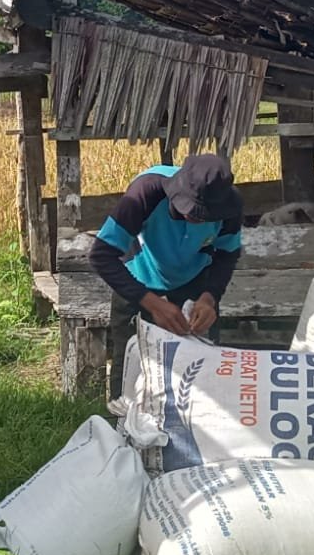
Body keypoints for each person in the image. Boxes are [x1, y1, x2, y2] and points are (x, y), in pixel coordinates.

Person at [87, 154, 245, 397]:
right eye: (190, 211)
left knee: (201, 365)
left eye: (205, 216)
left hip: (194, 280)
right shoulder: (145, 192)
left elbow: (227, 254)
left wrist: (209, 298)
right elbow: (101, 255)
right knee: (129, 362)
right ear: (176, 192)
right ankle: (122, 417)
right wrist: (153, 304)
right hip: (137, 279)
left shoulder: (230, 205)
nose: (196, 220)